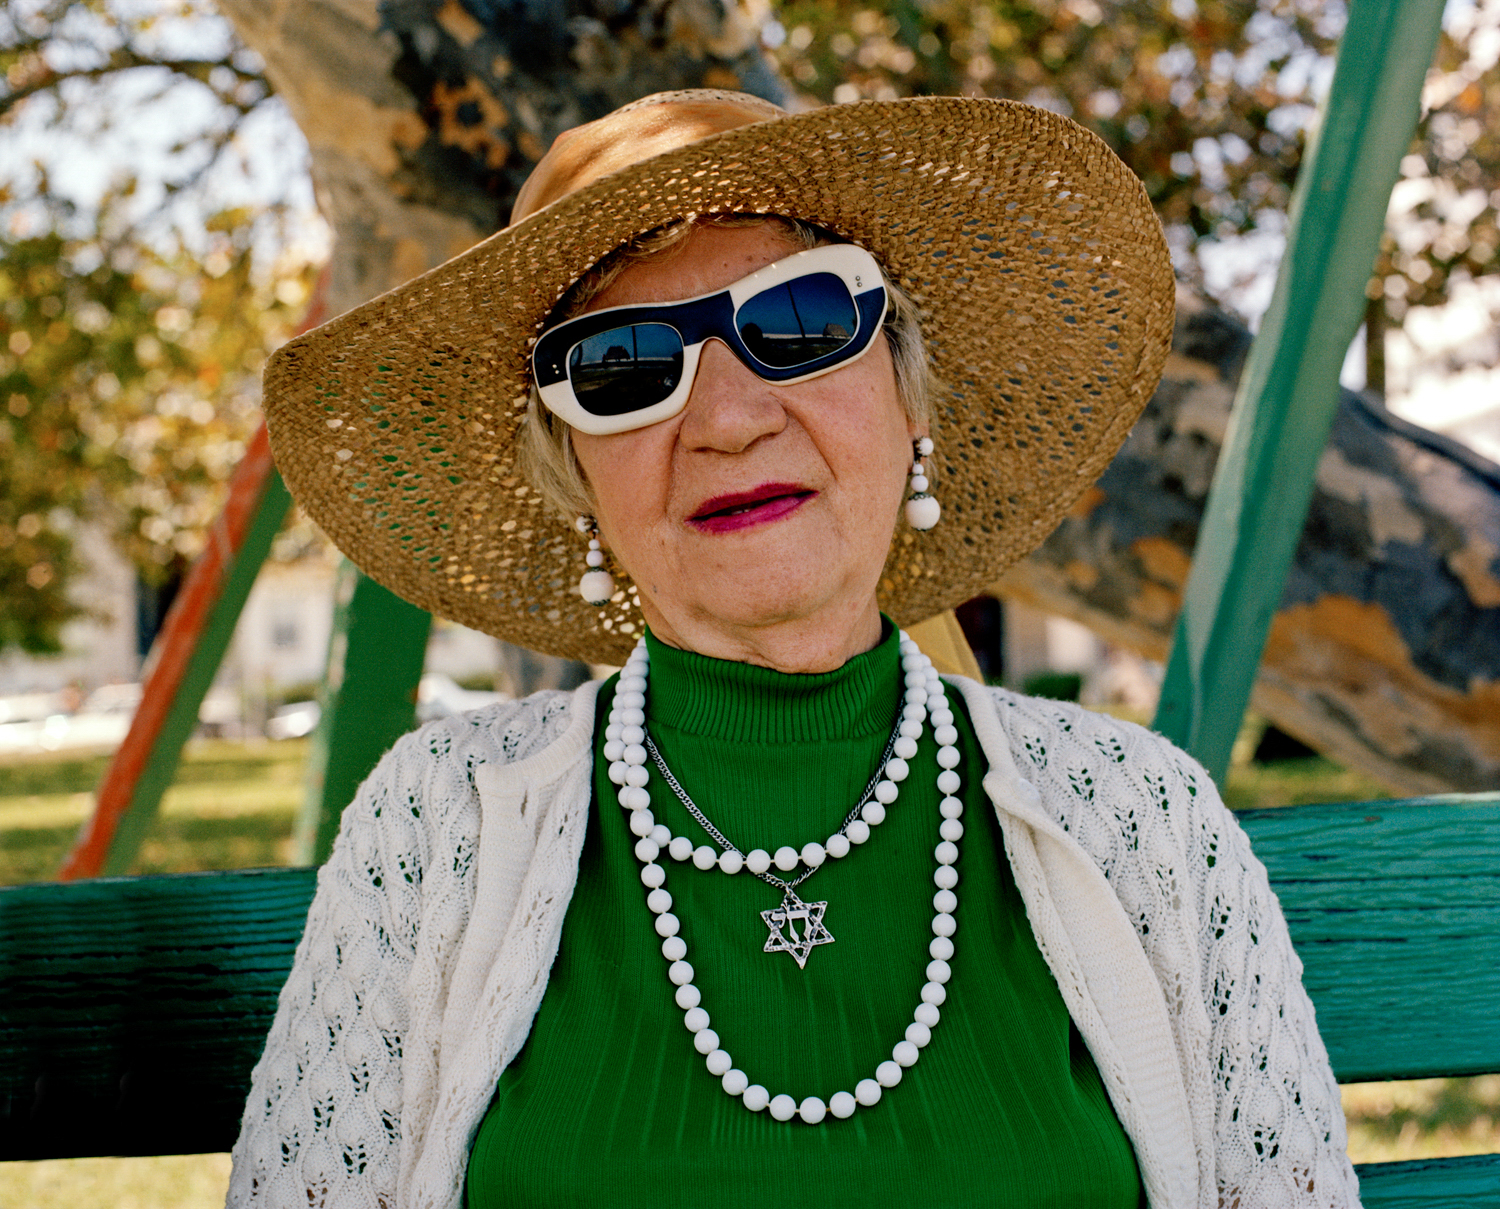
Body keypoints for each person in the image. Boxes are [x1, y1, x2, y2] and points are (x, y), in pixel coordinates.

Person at [229, 90, 1361, 1209]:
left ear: (911, 399)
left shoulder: (1144, 822)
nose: (728, 418)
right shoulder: (437, 827)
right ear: (577, 473)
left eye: (800, 322)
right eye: (623, 368)